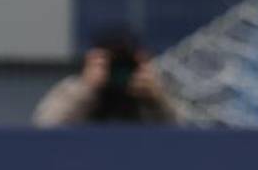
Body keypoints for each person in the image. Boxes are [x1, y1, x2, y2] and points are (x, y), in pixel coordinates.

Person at [33, 27, 176, 126]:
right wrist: (86, 89)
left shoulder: (154, 91)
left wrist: (157, 99)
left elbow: (183, 138)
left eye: (126, 64)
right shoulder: (73, 90)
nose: (118, 71)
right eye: (111, 64)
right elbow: (43, 129)